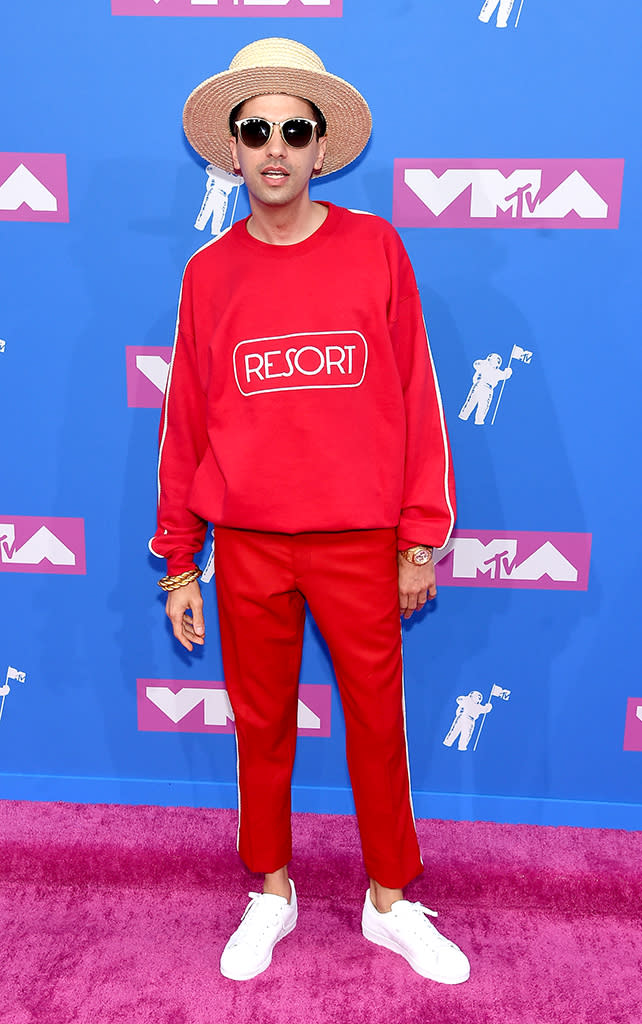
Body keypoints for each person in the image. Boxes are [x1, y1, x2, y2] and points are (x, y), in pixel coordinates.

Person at [150, 36, 469, 986]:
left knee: (378, 719)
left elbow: (418, 396)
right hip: (247, 545)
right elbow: (184, 430)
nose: (276, 147)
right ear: (233, 151)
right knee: (260, 722)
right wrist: (179, 560)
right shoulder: (207, 277)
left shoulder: (376, 247)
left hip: (360, 542)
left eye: (296, 128)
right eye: (257, 131)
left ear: (322, 146)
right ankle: (272, 892)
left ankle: (391, 902)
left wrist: (422, 538)